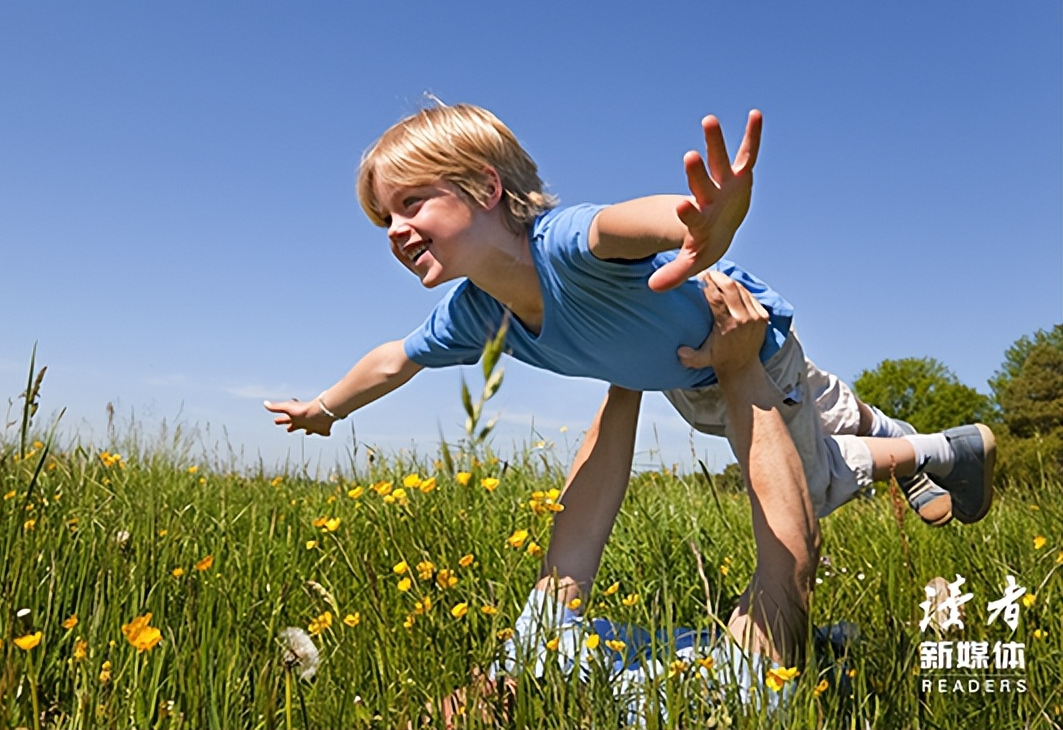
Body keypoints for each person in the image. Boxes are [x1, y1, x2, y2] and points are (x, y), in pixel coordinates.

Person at [265, 101, 995, 532]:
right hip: (699, 371)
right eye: (383, 218)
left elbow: (625, 223)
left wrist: (701, 225)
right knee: (823, 404)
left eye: (411, 204)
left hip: (738, 353)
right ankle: (890, 431)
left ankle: (938, 451)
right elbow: (395, 358)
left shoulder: (563, 244)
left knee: (802, 493)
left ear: (485, 188)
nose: (394, 229)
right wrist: (328, 408)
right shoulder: (474, 315)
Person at [434, 274, 989, 728]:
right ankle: (926, 459)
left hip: (727, 640)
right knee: (813, 482)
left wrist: (627, 368)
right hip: (809, 670)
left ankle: (921, 449)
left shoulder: (532, 655)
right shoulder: (700, 711)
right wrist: (738, 367)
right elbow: (790, 559)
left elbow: (577, 529)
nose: (437, 713)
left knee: (817, 444)